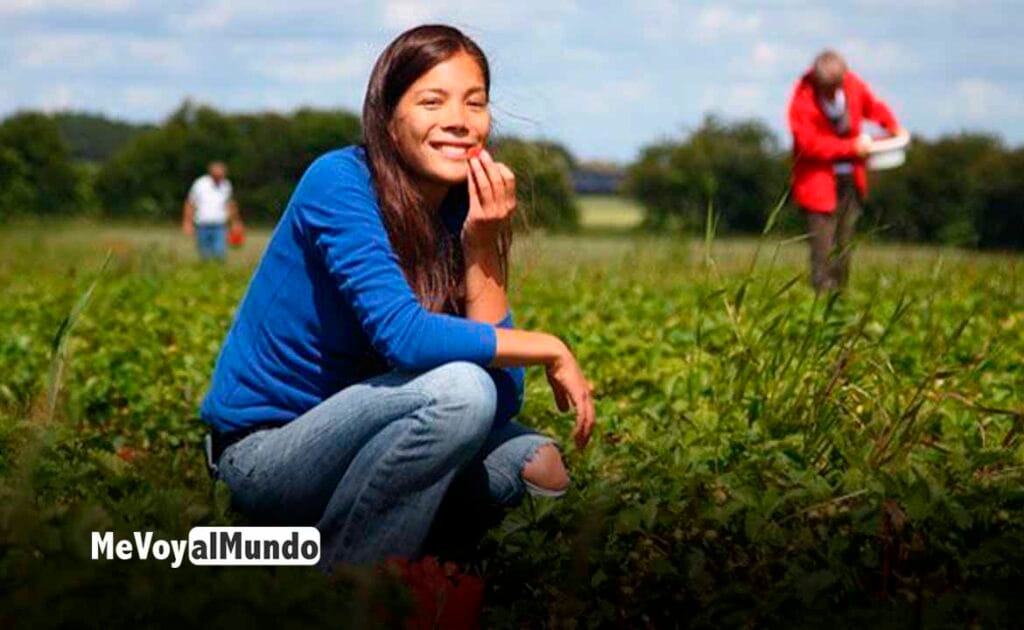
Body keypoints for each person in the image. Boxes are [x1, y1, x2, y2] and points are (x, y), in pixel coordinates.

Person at [198, 24, 596, 572]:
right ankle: (346, 584)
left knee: (537, 465)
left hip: (379, 433)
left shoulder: (464, 208)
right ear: (387, 118)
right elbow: (406, 338)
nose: (459, 119)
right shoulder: (339, 182)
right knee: (460, 392)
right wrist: (549, 346)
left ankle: (328, 549)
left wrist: (482, 244)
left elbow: (501, 400)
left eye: (474, 103)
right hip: (269, 454)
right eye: (432, 100)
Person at [787, 50, 906, 292]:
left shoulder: (852, 85)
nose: (831, 92)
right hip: (817, 187)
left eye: (835, 86)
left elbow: (873, 106)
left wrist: (892, 126)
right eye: (826, 87)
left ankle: (840, 300)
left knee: (845, 246)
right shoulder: (801, 100)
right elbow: (809, 146)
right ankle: (822, 301)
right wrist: (851, 147)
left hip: (851, 181)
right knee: (823, 248)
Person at [181, 161, 242, 261]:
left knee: (219, 253)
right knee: (204, 254)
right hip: (202, 225)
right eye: (217, 175)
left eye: (222, 175)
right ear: (211, 173)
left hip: (220, 226)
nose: (220, 177)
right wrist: (187, 222)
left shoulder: (226, 185)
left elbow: (230, 204)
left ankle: (218, 273)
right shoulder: (200, 184)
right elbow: (190, 203)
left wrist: (235, 222)